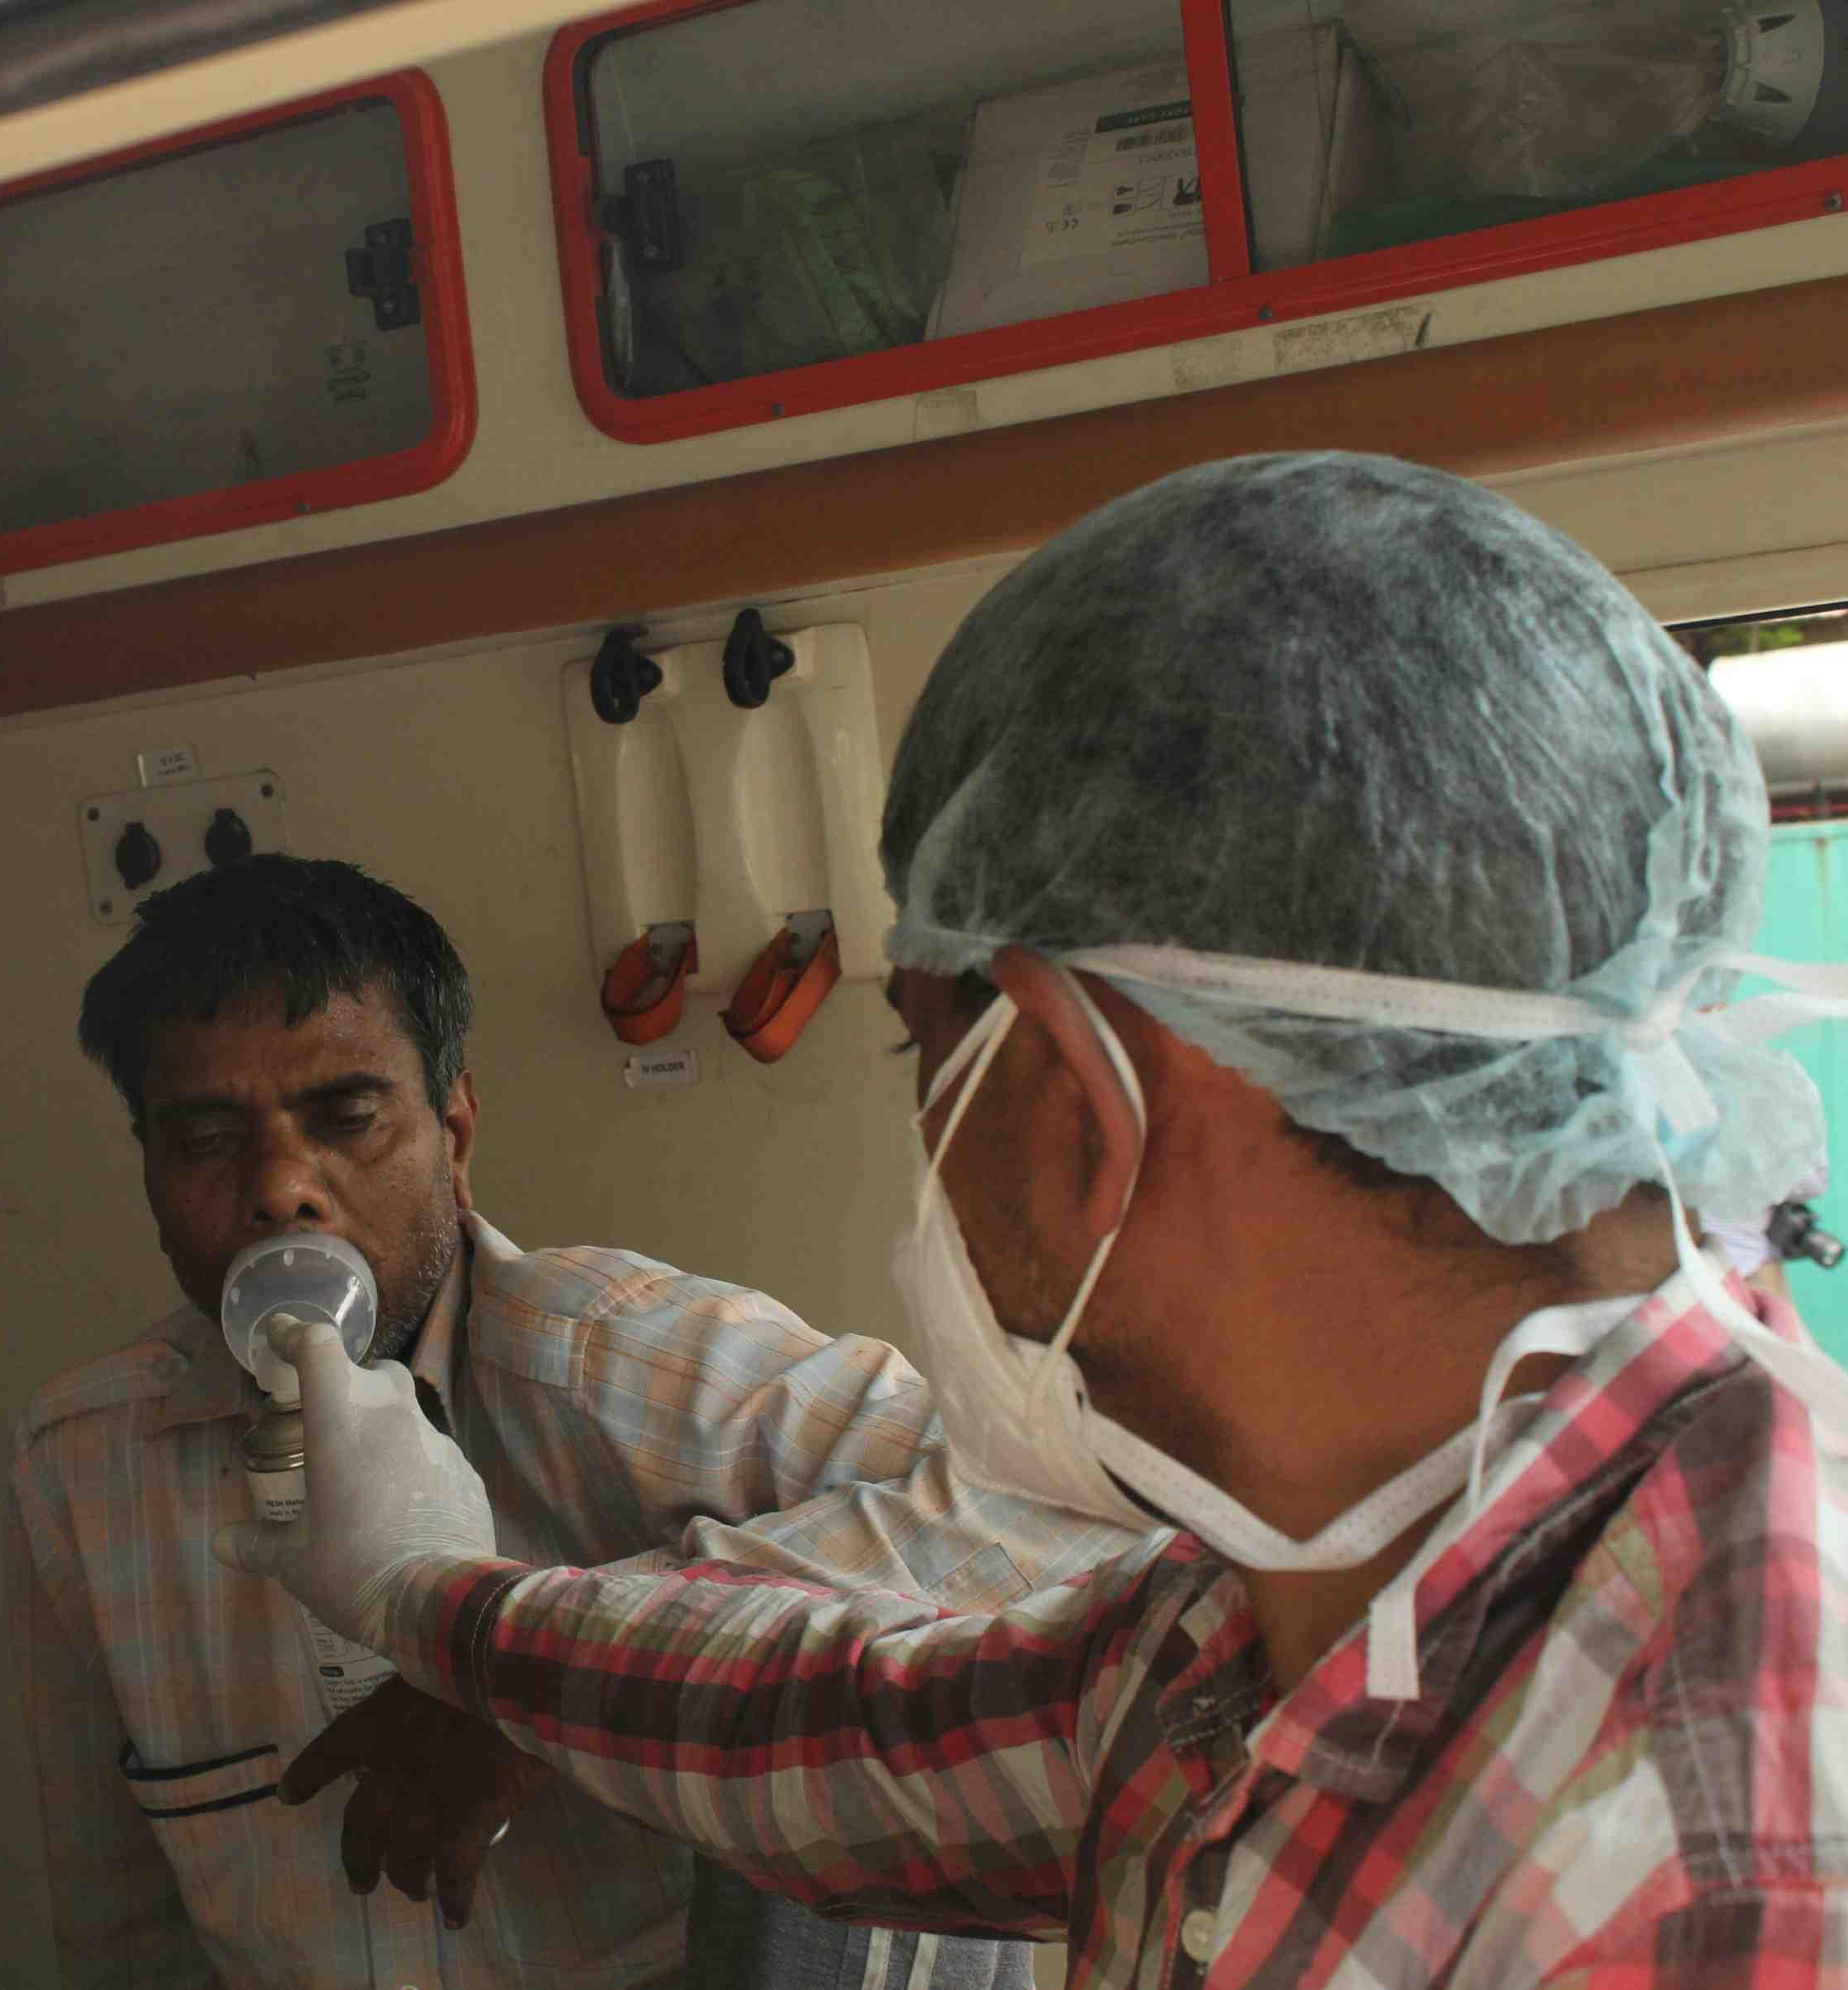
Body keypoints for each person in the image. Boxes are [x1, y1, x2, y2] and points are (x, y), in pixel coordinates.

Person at [221, 454, 1848, 1987]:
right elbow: (846, 1735)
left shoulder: (1732, 1871)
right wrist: (423, 1589)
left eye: (921, 1053)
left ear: (1078, 1091)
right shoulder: (1308, 1576)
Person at [8, 855, 1134, 1990]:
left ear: (455, 1136)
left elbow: (1066, 1521)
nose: (280, 1189)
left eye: (347, 1117)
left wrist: (547, 1683)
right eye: (207, 1141)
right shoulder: (87, 1467)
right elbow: (121, 1926)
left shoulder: (625, 1358)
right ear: (150, 1174)